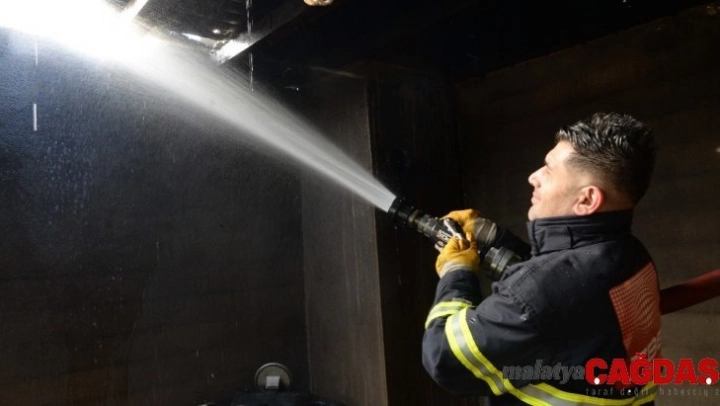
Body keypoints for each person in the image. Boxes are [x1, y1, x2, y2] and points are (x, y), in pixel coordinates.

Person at [422, 112, 660, 405]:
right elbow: (561, 285)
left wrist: (456, 271)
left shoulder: (543, 293)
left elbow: (445, 358)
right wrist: (494, 236)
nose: (533, 177)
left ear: (587, 199)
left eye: (548, 170)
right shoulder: (634, 257)